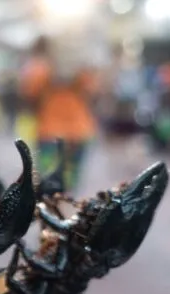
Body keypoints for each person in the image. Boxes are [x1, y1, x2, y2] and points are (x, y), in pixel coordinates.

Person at [19, 36, 98, 196]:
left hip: (51, 133)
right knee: (68, 183)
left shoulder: (37, 69)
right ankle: (66, 211)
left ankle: (55, 213)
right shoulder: (84, 69)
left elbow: (29, 96)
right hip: (78, 132)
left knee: (50, 182)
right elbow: (93, 94)